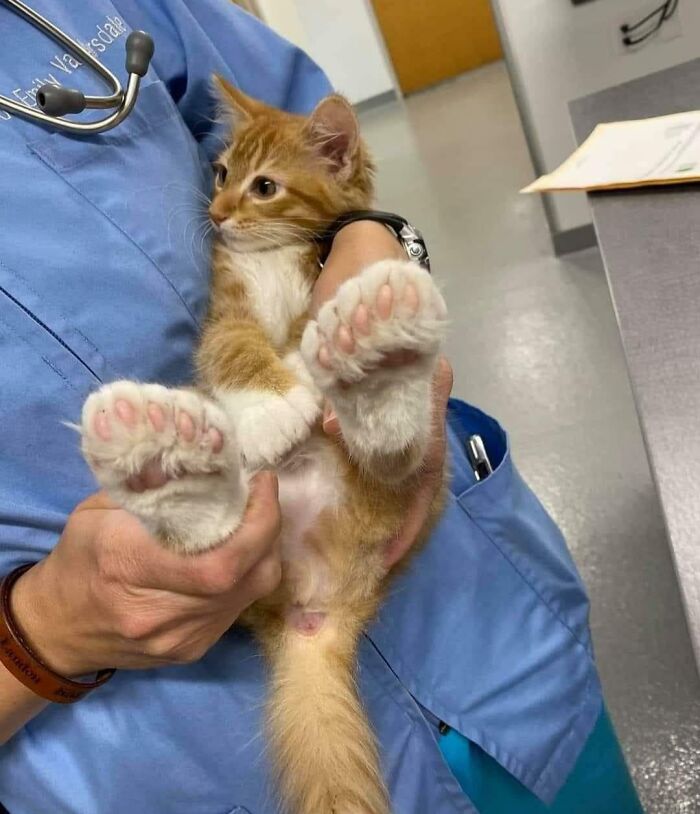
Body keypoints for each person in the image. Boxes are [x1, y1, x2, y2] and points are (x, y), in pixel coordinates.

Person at [0, 2, 644, 813]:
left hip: (478, 626)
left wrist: (372, 243)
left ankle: (371, 414)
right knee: (231, 459)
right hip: (165, 732)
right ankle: (202, 497)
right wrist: (41, 633)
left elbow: (320, 155)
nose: (223, 202)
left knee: (338, 421)